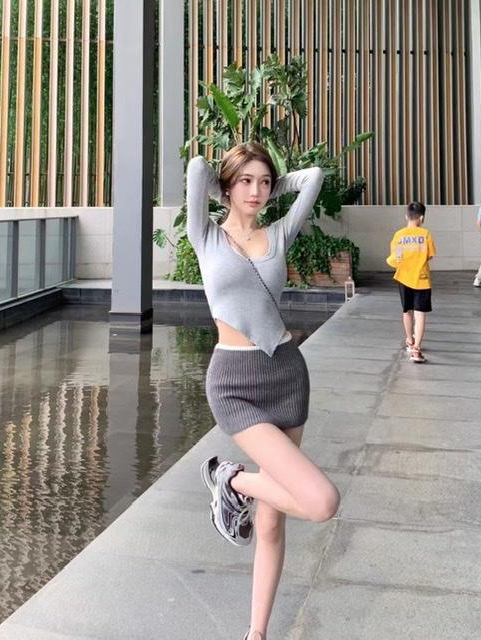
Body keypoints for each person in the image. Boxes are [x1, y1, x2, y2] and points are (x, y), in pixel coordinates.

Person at [186, 143, 340, 640]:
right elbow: (197, 168)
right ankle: (230, 479)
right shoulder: (205, 235)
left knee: (272, 524)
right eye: (246, 181)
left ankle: (256, 633)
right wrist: (226, 187)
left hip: (286, 376)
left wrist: (271, 190)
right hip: (233, 384)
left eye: (265, 182)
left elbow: (313, 176)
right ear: (229, 185)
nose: (256, 191)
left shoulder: (279, 233)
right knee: (320, 502)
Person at [386, 202, 436, 363]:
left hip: (404, 278)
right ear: (422, 218)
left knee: (407, 311)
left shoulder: (399, 235)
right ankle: (416, 349)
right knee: (420, 313)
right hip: (422, 279)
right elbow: (430, 255)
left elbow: (397, 258)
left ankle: (409, 340)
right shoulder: (425, 234)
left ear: (406, 217)